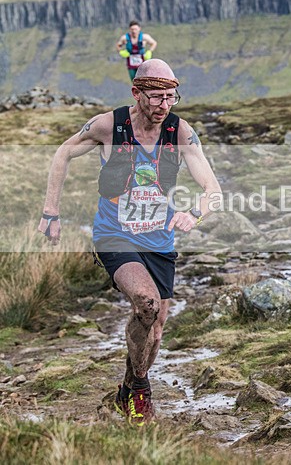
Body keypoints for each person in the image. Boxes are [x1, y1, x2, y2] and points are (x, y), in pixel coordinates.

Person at [38, 59, 221, 426]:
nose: (163, 105)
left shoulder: (180, 132)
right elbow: (63, 153)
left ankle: (127, 387)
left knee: (154, 329)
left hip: (159, 240)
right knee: (147, 302)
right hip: (114, 235)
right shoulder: (110, 126)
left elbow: (213, 190)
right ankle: (140, 390)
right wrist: (50, 213)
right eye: (155, 97)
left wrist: (194, 214)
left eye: (171, 97)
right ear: (136, 93)